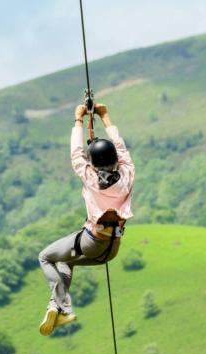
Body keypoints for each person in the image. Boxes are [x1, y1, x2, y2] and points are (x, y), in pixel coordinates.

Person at [38, 102, 135, 336]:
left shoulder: (90, 178)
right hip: (112, 249)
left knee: (45, 257)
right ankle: (59, 309)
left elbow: (76, 153)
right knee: (65, 261)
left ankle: (59, 306)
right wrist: (105, 116)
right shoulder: (128, 175)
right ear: (115, 160)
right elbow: (121, 149)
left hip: (92, 242)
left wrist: (78, 120)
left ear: (94, 164)